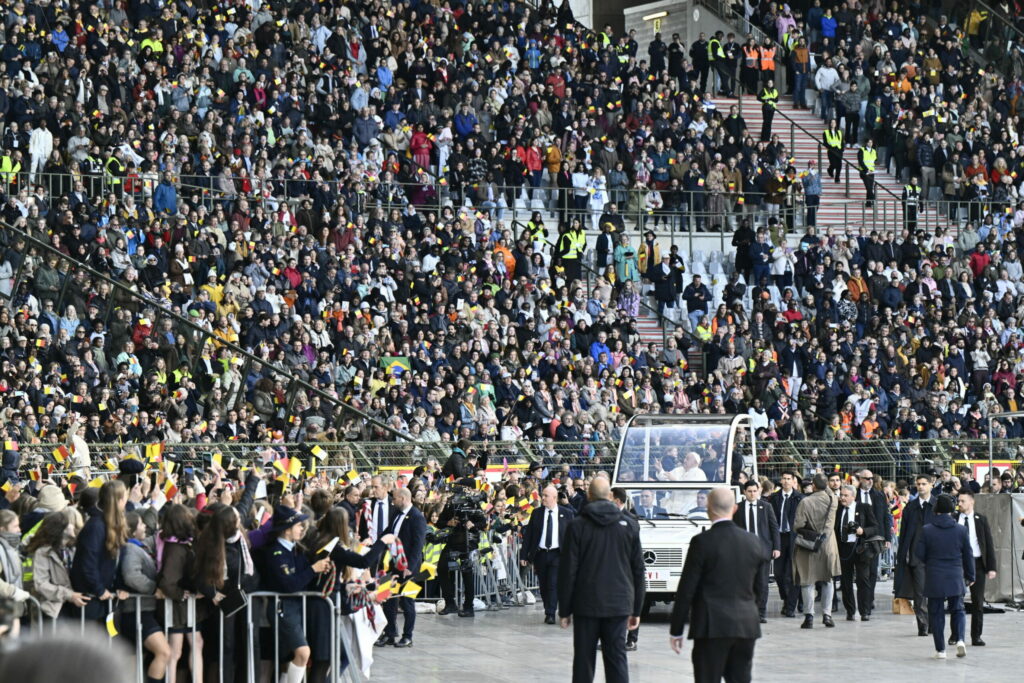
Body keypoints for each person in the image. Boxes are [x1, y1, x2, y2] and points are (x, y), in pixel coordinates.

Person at [670, 487, 770, 683]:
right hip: (745, 626)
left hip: (711, 626)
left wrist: (677, 629)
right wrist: (749, 610)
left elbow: (687, 589)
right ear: (734, 509)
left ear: (708, 509)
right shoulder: (753, 542)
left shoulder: (701, 542)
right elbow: (760, 587)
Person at [558, 477, 644, 683]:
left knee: (583, 662)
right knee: (617, 660)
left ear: (589, 495)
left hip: (586, 604)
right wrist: (637, 609)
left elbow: (568, 569)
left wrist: (565, 609)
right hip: (619, 604)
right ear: (609, 496)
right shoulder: (629, 525)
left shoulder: (577, 526)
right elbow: (638, 569)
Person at [261, 504, 332, 683]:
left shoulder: (294, 549)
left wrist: (319, 567)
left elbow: (303, 574)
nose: (302, 529)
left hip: (294, 607)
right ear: (286, 529)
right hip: (283, 607)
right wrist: (313, 570)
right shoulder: (276, 553)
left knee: (289, 657)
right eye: (299, 525)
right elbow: (289, 585)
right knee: (303, 652)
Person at [916, 494, 975, 659]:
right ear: (951, 510)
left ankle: (941, 650)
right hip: (955, 575)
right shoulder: (961, 530)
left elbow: (919, 554)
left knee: (936, 613)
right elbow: (968, 555)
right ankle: (961, 640)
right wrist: (970, 575)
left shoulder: (927, 530)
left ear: (936, 510)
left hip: (934, 575)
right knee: (958, 610)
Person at [70, 480, 128, 622]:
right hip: (91, 599)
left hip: (105, 598)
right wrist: (99, 589)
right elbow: (88, 562)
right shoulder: (95, 526)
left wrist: (120, 586)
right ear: (119, 500)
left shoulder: (109, 524)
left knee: (110, 637)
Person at [520, 484, 575, 624]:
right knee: (543, 585)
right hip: (541, 554)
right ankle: (548, 608)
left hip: (558, 554)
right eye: (542, 495)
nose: (542, 498)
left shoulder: (566, 514)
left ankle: (550, 613)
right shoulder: (537, 513)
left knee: (553, 583)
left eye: (546, 496)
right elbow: (529, 536)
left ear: (555, 498)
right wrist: (524, 555)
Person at [379, 487, 426, 647]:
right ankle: (390, 633)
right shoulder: (396, 514)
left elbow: (418, 545)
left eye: (395, 499)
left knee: (407, 601)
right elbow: (387, 532)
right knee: (387, 599)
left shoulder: (417, 517)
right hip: (392, 563)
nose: (393, 501)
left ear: (404, 499)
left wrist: (410, 567)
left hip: (410, 567)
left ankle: (408, 636)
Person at [792, 474, 839, 629]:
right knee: (828, 580)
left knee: (807, 580)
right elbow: (831, 493)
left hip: (809, 545)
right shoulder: (833, 500)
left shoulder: (805, 502)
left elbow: (798, 525)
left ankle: (809, 616)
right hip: (828, 545)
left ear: (813, 485)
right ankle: (827, 615)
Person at [732, 480, 779, 622]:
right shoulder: (737, 508)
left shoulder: (766, 507)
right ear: (744, 492)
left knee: (762, 583)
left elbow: (774, 528)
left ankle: (760, 613)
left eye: (754, 491)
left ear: (758, 491)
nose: (752, 494)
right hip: (744, 552)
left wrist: (777, 547)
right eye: (749, 491)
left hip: (762, 550)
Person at [896, 473, 937, 637]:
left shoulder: (937, 506)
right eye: (918, 484)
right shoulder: (910, 508)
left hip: (935, 557)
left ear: (931, 485)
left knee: (935, 593)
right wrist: (902, 557)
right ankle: (923, 625)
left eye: (924, 484)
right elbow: (904, 534)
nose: (921, 487)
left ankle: (934, 624)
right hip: (916, 557)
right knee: (919, 593)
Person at [955, 491, 996, 646]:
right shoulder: (954, 519)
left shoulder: (981, 520)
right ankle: (956, 635)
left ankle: (976, 636)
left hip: (977, 563)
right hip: (958, 563)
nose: (959, 504)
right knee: (956, 600)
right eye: (958, 501)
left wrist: (991, 567)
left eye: (963, 501)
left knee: (977, 602)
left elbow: (989, 544)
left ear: (972, 502)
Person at [834, 485, 878, 621]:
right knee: (845, 582)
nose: (842, 498)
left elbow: (875, 527)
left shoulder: (864, 507)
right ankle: (850, 611)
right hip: (843, 549)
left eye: (846, 495)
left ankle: (865, 611)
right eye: (841, 495)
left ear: (853, 496)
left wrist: (862, 531)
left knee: (862, 580)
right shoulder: (838, 509)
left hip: (860, 548)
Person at [855, 469, 891, 617]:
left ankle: (868, 601)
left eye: (871, 478)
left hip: (875, 539)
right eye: (866, 478)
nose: (870, 481)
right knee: (861, 574)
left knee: (872, 572)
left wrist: (887, 538)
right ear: (860, 479)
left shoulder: (879, 495)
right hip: (857, 538)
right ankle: (864, 601)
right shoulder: (854, 494)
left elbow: (885, 517)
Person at [768, 471, 803, 617]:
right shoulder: (774, 498)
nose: (786, 481)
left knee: (792, 574)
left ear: (794, 481)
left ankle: (790, 606)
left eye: (789, 479)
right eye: (784, 478)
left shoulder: (800, 498)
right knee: (779, 574)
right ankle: (789, 599)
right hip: (779, 538)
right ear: (781, 481)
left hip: (794, 538)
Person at [858, 139, 877, 207]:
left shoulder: (874, 151)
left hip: (871, 172)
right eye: (869, 142)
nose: (870, 143)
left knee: (870, 188)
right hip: (864, 171)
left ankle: (868, 203)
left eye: (871, 142)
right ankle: (873, 199)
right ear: (866, 143)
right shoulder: (862, 150)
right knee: (868, 187)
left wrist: (871, 170)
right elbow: (861, 161)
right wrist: (866, 170)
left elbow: (874, 161)